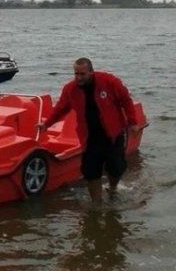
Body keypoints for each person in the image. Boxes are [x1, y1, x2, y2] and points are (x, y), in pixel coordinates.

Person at [37, 58, 144, 203]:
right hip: (89, 137)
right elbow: (60, 109)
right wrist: (46, 124)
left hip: (113, 134)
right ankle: (97, 202)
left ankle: (112, 189)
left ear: (91, 72)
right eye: (76, 74)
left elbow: (126, 100)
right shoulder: (70, 89)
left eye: (82, 74)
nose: (79, 78)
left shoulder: (109, 81)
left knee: (116, 167)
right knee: (90, 171)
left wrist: (133, 122)